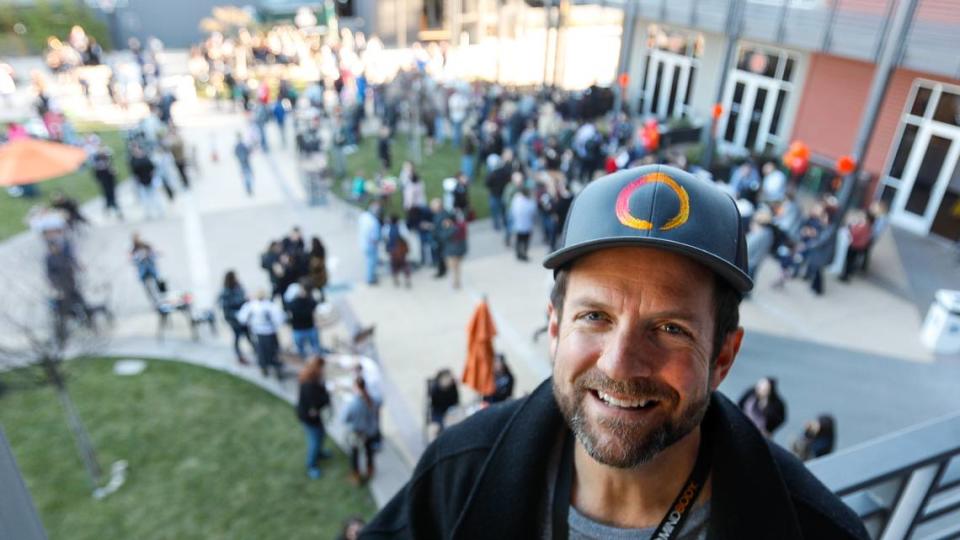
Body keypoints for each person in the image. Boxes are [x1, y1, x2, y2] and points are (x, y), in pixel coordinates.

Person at [362, 165, 867, 539]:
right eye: (595, 317)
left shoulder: (817, 530)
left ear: (722, 358)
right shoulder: (457, 473)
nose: (620, 363)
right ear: (556, 327)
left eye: (670, 329)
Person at [236, 289, 286, 380]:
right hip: (262, 332)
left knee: (268, 352)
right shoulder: (257, 305)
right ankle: (268, 368)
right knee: (266, 352)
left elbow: (242, 318)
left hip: (266, 332)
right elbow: (242, 317)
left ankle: (272, 368)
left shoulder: (263, 305)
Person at [297, 357, 332, 479]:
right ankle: (311, 465)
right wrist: (327, 397)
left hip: (312, 416)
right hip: (309, 418)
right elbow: (316, 404)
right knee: (314, 440)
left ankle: (320, 453)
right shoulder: (309, 384)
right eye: (322, 367)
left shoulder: (313, 378)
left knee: (320, 434)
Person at [342, 377, 381, 485]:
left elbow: (344, 418)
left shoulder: (353, 404)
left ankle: (356, 475)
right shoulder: (375, 399)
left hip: (358, 433)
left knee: (355, 454)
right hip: (371, 432)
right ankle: (370, 470)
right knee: (369, 452)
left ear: (355, 387)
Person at [218, 270, 253, 365]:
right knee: (238, 336)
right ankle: (239, 355)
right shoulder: (225, 291)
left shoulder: (239, 286)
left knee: (248, 334)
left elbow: (244, 296)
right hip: (234, 319)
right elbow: (226, 308)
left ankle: (256, 351)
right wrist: (238, 311)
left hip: (243, 317)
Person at [287, 278, 322, 360]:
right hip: (310, 328)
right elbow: (315, 315)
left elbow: (289, 314)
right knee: (316, 349)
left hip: (298, 329)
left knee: (301, 351)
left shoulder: (293, 302)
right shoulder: (312, 302)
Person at [439, 209, 468, 289]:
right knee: (456, 267)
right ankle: (456, 282)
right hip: (455, 250)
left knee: (454, 267)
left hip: (453, 250)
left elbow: (444, 236)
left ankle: (456, 282)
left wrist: (447, 228)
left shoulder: (454, 228)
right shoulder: (460, 225)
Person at [509, 187, 537, 262]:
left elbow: (512, 210)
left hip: (518, 225)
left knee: (518, 240)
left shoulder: (516, 199)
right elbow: (533, 212)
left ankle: (518, 253)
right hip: (527, 226)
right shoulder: (530, 203)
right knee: (525, 241)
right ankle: (524, 254)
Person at [358, 202, 382, 285]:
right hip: (370, 245)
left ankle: (370, 277)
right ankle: (370, 279)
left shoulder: (364, 216)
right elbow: (374, 239)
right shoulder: (374, 222)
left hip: (362, 242)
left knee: (369, 261)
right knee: (371, 262)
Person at [385, 215, 411, 288]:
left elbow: (385, 237)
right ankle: (407, 280)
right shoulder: (401, 228)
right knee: (404, 265)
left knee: (394, 265)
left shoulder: (387, 228)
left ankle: (396, 279)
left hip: (392, 249)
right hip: (401, 250)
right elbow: (406, 236)